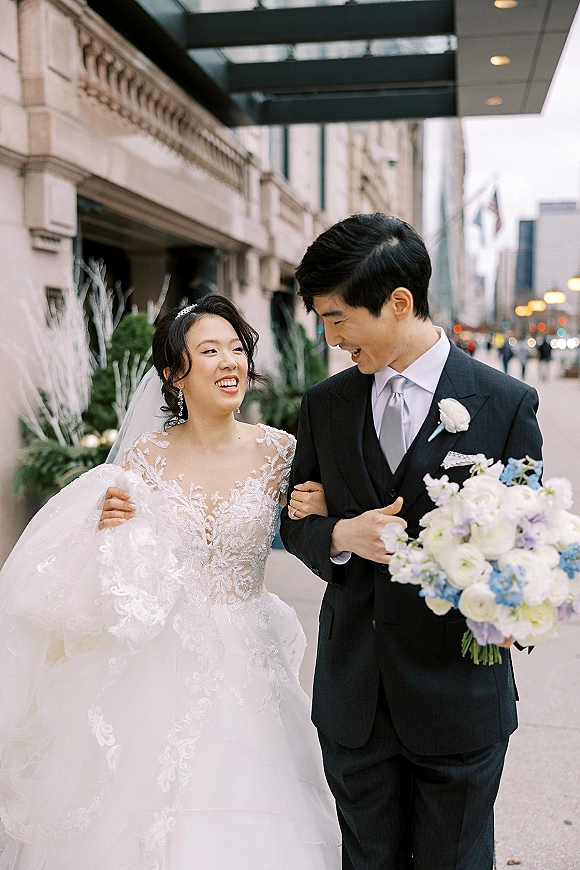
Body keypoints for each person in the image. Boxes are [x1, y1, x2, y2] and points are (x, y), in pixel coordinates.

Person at [0, 295, 341, 870]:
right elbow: (116, 567)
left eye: (237, 349)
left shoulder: (283, 453)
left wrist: (322, 504)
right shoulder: (143, 460)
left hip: (251, 658)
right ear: (173, 373)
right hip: (161, 662)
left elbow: (319, 529)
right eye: (210, 350)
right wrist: (104, 528)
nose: (230, 361)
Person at [279, 213, 543, 870]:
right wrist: (340, 532)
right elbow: (295, 521)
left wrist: (515, 601)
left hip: (459, 699)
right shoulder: (325, 406)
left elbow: (531, 538)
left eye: (339, 319)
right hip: (354, 698)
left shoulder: (504, 403)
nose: (331, 337)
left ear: (399, 302)